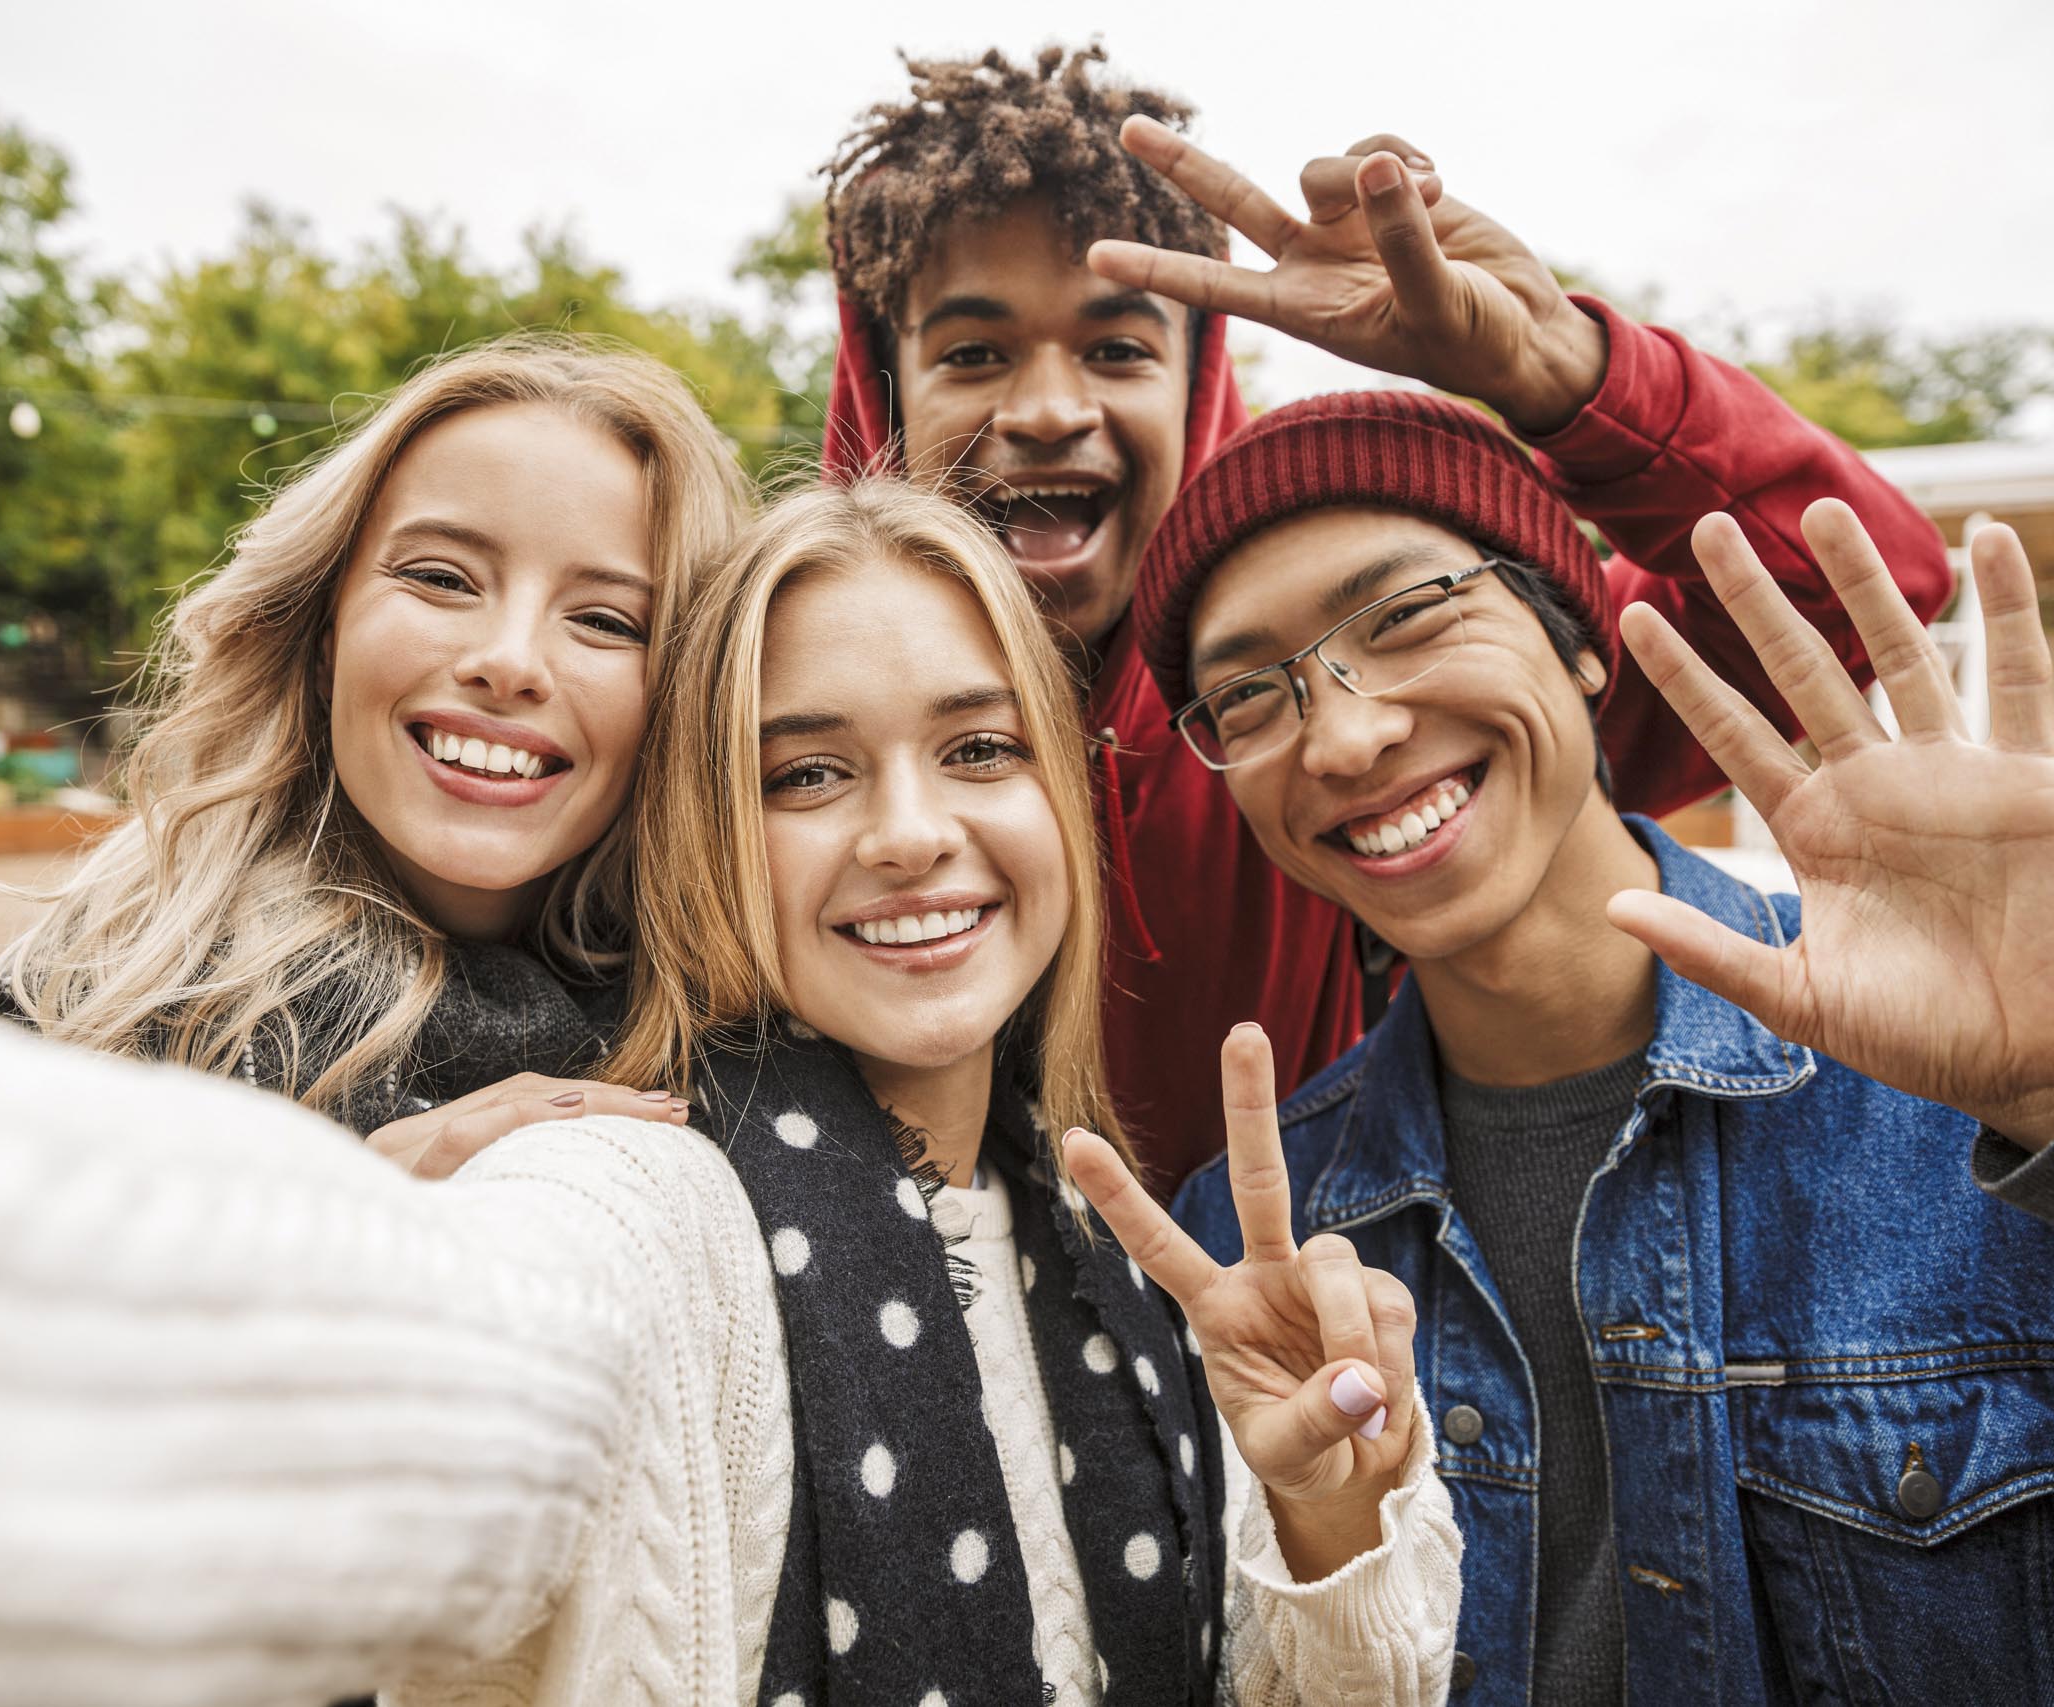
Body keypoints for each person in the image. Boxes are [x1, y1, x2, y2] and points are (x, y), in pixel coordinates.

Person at [0, 478, 1464, 1707]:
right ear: (698, 836)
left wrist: (1319, 1512)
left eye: (979, 745)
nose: (913, 829)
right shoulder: (631, 1193)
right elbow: (425, 1370)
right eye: (804, 772)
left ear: (1063, 802)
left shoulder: (1122, 1264)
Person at [1132, 388, 2054, 1702]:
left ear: (1582, 643)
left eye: (1408, 616)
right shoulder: (1249, 1250)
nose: (1347, 733)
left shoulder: (2012, 1077)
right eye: (1250, 695)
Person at [815, 44, 1955, 1186]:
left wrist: (1559, 373)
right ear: (882, 389)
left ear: (1201, 384)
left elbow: (1850, 583)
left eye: (1118, 349)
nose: (1051, 407)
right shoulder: (754, 712)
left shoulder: (1395, 712)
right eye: (972, 352)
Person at [0, 334, 746, 1161]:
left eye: (606, 620)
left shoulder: (756, 1044)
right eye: (442, 578)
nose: (511, 662)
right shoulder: (84, 1001)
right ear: (322, 633)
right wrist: (354, 1212)